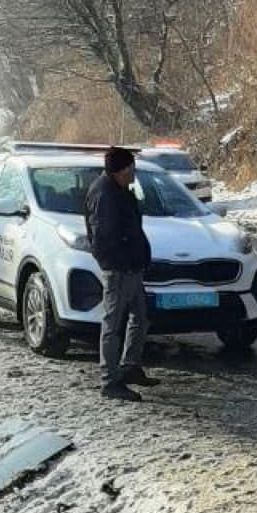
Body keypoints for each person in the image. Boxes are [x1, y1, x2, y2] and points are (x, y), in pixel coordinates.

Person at [84, 147, 154, 403]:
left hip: (132, 267)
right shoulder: (104, 195)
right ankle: (110, 381)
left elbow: (132, 227)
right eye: (130, 171)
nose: (133, 176)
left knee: (141, 318)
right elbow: (103, 240)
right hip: (119, 269)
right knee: (112, 325)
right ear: (119, 171)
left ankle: (130, 366)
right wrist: (121, 263)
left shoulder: (120, 190)